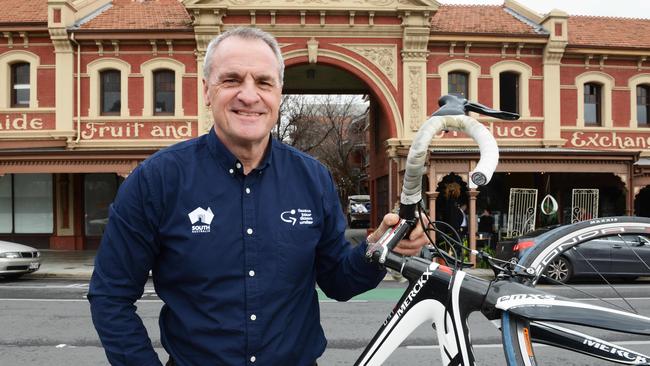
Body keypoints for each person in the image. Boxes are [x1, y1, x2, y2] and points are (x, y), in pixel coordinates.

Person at [87, 27, 428, 366]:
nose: (249, 96)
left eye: (263, 82)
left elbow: (338, 280)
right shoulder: (157, 180)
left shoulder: (313, 178)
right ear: (207, 90)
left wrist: (380, 248)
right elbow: (110, 297)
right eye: (232, 79)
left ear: (279, 92)